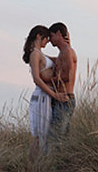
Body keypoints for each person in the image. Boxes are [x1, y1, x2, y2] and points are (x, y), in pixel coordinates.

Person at [23, 25, 68, 155]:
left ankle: (37, 165)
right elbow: (36, 79)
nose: (48, 41)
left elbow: (60, 58)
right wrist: (54, 95)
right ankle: (32, 166)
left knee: (44, 135)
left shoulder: (40, 54)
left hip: (45, 96)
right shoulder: (34, 54)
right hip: (42, 95)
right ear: (38, 36)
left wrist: (66, 44)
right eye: (46, 38)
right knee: (40, 136)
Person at [48, 22, 77, 142]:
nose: (49, 40)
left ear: (58, 33)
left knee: (55, 138)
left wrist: (46, 81)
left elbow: (68, 76)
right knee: (61, 138)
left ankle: (53, 160)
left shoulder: (67, 51)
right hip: (61, 99)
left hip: (64, 100)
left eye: (51, 36)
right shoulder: (63, 52)